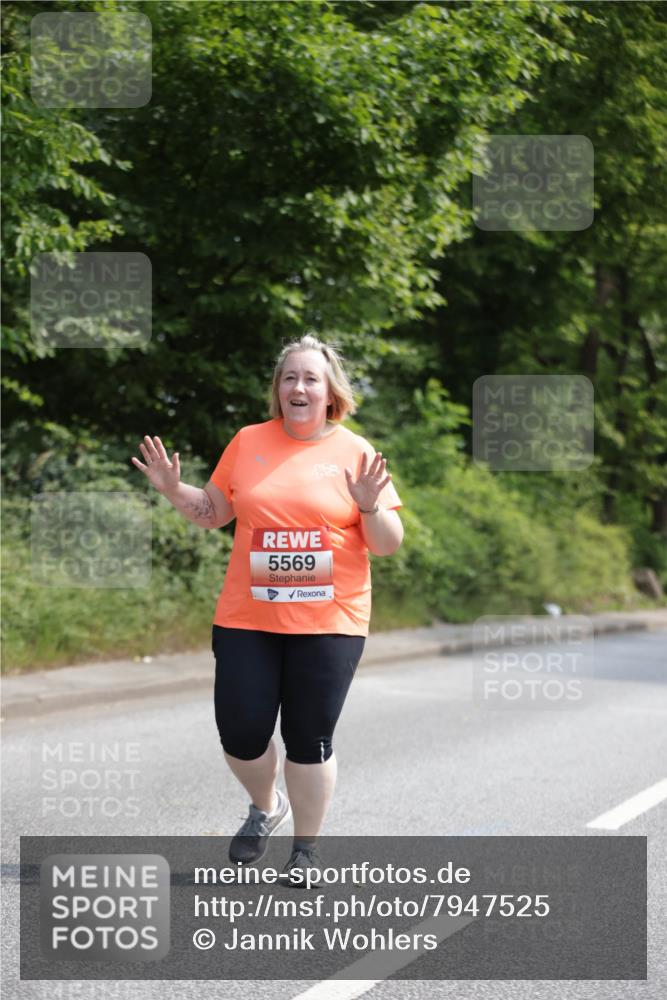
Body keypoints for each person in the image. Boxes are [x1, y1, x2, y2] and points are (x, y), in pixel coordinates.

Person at [131, 333, 403, 882]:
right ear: (277, 390)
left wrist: (370, 507)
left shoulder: (355, 452)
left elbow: (388, 541)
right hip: (247, 617)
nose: (298, 387)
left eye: (310, 379)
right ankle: (265, 805)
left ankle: (306, 850)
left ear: (331, 394)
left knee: (310, 737)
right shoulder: (249, 440)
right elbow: (212, 513)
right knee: (241, 731)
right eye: (289, 378)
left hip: (331, 619)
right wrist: (171, 488)